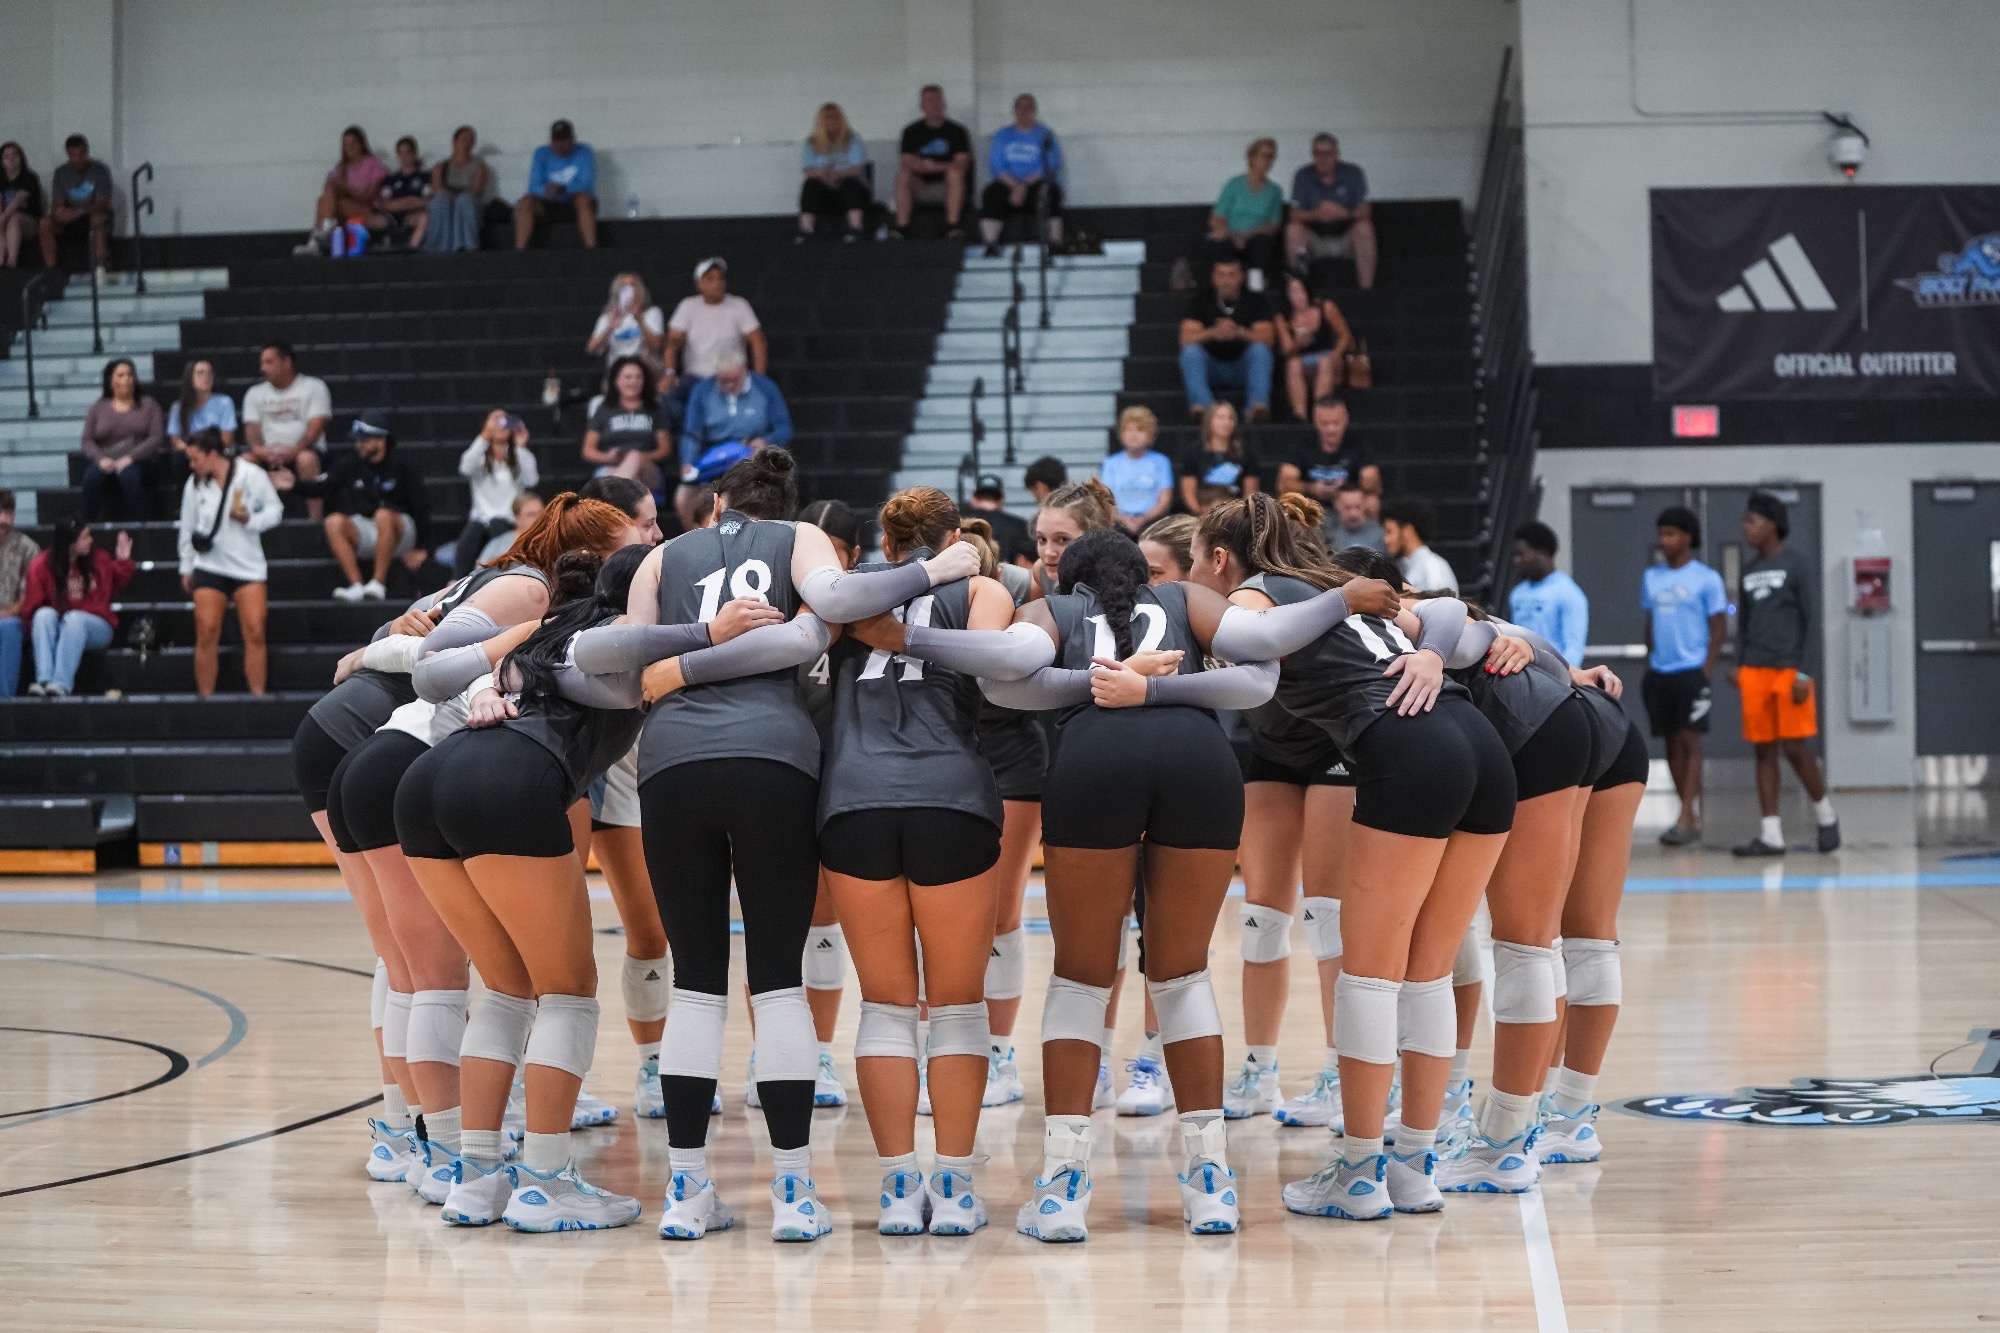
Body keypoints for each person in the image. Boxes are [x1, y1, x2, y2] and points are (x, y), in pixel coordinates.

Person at [566, 450, 981, 1242]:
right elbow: (831, 602)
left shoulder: (662, 554)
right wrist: (935, 569)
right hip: (775, 762)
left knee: (695, 979)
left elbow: (606, 657)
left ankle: (687, 1189)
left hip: (673, 766)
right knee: (778, 979)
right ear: (786, 503)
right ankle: (793, 1191)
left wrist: (677, 663)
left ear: (714, 503)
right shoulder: (797, 538)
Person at [897, 529, 1283, 1241]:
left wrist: (907, 637)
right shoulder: (1188, 596)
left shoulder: (1059, 611)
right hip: (1201, 761)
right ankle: (1209, 1179)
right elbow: (1263, 659)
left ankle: (1065, 1183)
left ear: (1070, 582)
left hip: (1095, 759)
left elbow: (1006, 674)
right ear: (1145, 573)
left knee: (1081, 976)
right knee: (1183, 974)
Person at [1181, 517, 1510, 1220]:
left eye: (1191, 564)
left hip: (1408, 745)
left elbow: (1252, 645)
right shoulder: (1337, 582)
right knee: (1425, 969)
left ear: (1217, 558)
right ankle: (1415, 1167)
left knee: (1370, 971)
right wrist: (1433, 654)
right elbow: (1453, 611)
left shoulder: (1260, 594)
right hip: (1479, 746)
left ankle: (1359, 1171)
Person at [393, 544, 659, 1231]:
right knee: (568, 992)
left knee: (508, 987)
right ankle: (544, 1181)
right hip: (511, 775)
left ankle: (476, 1178)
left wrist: (489, 684)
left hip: (429, 777)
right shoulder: (625, 641)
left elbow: (440, 668)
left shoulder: (555, 625)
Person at [815, 487, 1020, 1234]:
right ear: (956, 535)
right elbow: (997, 668)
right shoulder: (986, 587)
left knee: (885, 1006)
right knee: (960, 1005)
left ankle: (899, 1188)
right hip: (950, 797)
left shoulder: (849, 594)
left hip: (853, 800)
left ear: (887, 541)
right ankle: (957, 1188)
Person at [1182, 494, 1355, 1126]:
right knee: (1262, 916)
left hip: (1341, 749)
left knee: (1328, 915)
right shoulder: (1220, 606)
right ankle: (1260, 1071)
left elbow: (1426, 609)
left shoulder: (1290, 589)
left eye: (1195, 559)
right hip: (1271, 748)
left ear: (1220, 558)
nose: (1189, 573)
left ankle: (1342, 1073)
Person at [1731, 492, 1839, 856]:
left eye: (1752, 521)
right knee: (1763, 752)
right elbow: (1744, 625)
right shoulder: (1747, 572)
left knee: (1795, 748)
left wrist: (1806, 673)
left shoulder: (1798, 566)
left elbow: (1812, 624)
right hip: (1756, 671)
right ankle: (1771, 834)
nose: (1746, 528)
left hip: (1791, 671)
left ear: (1772, 525)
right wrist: (1740, 665)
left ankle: (1825, 815)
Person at [1641, 506, 1726, 847]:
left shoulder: (1707, 579)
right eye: (1662, 534)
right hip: (1660, 672)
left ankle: (1686, 813)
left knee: (1691, 741)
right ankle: (1686, 811)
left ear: (1687, 537)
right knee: (1671, 743)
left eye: (1671, 534)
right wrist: (1651, 662)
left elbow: (1718, 628)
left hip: (1691, 671)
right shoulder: (1652, 577)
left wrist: (1705, 670)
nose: (1664, 540)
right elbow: (1649, 625)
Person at [177, 428, 281, 697]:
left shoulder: (250, 474)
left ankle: (258, 698)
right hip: (209, 563)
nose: (192, 465)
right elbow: (187, 527)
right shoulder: (195, 483)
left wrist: (252, 520)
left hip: (248, 564)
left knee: (255, 631)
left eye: (195, 458)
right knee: (207, 631)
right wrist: (186, 566)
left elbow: (275, 510)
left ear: (213, 455)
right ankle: (206, 699)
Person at [664, 257, 767, 522]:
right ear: (699, 283)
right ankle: (693, 456)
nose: (717, 283)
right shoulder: (688, 306)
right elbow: (673, 341)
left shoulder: (738, 305)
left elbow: (756, 340)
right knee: (668, 399)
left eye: (721, 277)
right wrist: (668, 372)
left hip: (732, 375)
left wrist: (759, 377)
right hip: (697, 380)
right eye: (710, 278)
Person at [319, 412, 432, 601]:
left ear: (381, 440)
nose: (358, 445)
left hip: (402, 531)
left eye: (363, 440)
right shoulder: (351, 463)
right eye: (357, 440)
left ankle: (378, 583)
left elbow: (421, 505)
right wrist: (295, 484)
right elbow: (322, 486)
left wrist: (423, 547)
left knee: (383, 515)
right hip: (370, 530)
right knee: (333, 521)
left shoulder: (403, 465)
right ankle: (356, 586)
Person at [22, 520, 134, 697]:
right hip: (60, 624)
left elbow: (116, 581)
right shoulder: (41, 565)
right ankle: (43, 680)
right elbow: (31, 608)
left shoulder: (99, 558)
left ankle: (60, 684)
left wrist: (123, 561)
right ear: (69, 543)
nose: (90, 540)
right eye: (84, 537)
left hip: (97, 626)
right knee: (43, 615)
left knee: (74, 618)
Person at [1179, 257, 1276, 422]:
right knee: (1190, 352)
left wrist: (1240, 332)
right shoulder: (1201, 300)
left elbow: (1269, 338)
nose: (1226, 280)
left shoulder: (1255, 300)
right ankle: (1204, 408)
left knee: (1261, 350)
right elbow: (1185, 338)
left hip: (1243, 368)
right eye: (1221, 275)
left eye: (1231, 275)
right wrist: (1212, 332)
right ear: (1214, 277)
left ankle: (1257, 407)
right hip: (1212, 368)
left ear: (1241, 276)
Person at [679, 349, 794, 487]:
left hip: (755, 453)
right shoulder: (702, 390)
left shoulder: (765, 387)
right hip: (715, 458)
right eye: (724, 381)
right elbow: (692, 433)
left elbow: (784, 428)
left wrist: (765, 441)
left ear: (744, 370)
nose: (730, 385)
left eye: (735, 380)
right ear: (716, 374)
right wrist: (687, 461)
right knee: (683, 497)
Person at [241, 341, 330, 517]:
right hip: (268, 454)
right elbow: (252, 432)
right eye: (262, 363)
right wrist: (263, 452)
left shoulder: (314, 387)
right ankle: (246, 520)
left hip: (305, 450)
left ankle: (314, 523)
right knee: (244, 461)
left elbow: (316, 428)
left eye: (269, 362)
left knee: (306, 459)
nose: (263, 368)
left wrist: (293, 451)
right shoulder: (254, 393)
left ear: (287, 362)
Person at [453, 411, 539, 579]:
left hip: (508, 519)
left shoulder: (517, 456)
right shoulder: (479, 455)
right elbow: (465, 467)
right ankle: (456, 582)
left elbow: (531, 480)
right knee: (469, 538)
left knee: (497, 525)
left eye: (505, 421)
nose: (500, 425)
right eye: (495, 421)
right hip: (480, 519)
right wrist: (485, 435)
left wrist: (521, 446)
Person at [1286, 133, 1376, 290]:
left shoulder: (1353, 172)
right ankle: (1299, 292)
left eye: (1327, 153)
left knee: (1364, 228)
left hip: (1345, 237)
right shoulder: (1303, 174)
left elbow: (1365, 209)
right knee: (1293, 230)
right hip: (1316, 238)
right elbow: (1294, 214)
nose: (1322, 158)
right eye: (1317, 153)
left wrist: (1344, 213)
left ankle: (1366, 291)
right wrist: (1317, 214)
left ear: (1336, 154)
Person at [79, 358, 164, 521]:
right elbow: (87, 440)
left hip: (139, 460)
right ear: (111, 381)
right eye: (121, 375)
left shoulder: (149, 405)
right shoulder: (98, 407)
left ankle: (141, 527)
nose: (127, 379)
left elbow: (156, 437)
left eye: (130, 375)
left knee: (129, 476)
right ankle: (88, 527)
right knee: (91, 477)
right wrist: (101, 459)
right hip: (106, 460)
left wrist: (130, 458)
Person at [979, 94, 1064, 257]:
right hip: (1008, 183)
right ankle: (991, 245)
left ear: (1035, 110)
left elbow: (1051, 164)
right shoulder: (1003, 135)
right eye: (1020, 107)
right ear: (1014, 111)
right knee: (991, 193)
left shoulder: (1046, 134)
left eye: (1029, 107)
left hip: (1035, 183)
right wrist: (1015, 185)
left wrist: (1024, 185)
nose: (1024, 111)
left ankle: (1055, 243)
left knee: (1052, 192)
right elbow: (996, 164)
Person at [582, 356, 673, 494]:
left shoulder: (655, 409)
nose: (634, 382)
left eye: (638, 377)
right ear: (616, 381)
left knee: (632, 459)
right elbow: (588, 450)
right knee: (625, 482)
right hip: (612, 466)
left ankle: (612, 507)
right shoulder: (604, 409)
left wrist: (638, 457)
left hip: (648, 470)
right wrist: (610, 457)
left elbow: (665, 449)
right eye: (628, 377)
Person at [893, 85, 971, 237]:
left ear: (944, 104)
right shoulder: (910, 131)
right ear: (922, 106)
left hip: (947, 184)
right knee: (902, 176)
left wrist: (936, 167)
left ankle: (952, 226)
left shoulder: (957, 131)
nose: (934, 104)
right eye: (929, 101)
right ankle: (902, 227)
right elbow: (906, 161)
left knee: (955, 173)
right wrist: (922, 166)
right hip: (920, 184)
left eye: (937, 100)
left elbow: (962, 163)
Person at [1508, 521, 1589, 665]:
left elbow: (1574, 647)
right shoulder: (1517, 593)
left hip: (1554, 679)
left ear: (1543, 553)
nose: (1517, 561)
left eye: (1522, 554)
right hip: (1523, 675)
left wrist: (1563, 680)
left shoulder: (1568, 592)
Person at [1208, 138, 1286, 287]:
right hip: (1231, 234)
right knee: (1218, 243)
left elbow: (1274, 225)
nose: (1268, 161)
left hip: (1255, 236)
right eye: (1264, 156)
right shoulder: (1234, 184)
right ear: (1252, 157)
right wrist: (1230, 233)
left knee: (1263, 245)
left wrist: (1248, 235)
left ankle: (1255, 288)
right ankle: (1223, 287)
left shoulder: (1274, 190)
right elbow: (1217, 218)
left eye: (1272, 157)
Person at [1273, 276, 1353, 419]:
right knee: (1293, 364)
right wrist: (1298, 344)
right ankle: (1300, 416)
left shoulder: (1326, 308)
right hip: (1302, 360)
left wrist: (1336, 354)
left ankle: (1320, 413)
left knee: (1325, 361)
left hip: (1327, 357)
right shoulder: (1283, 318)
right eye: (1293, 292)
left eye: (1301, 291)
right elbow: (1287, 351)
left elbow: (1345, 335)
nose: (1298, 296)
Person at [1277, 398, 1379, 507]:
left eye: (1336, 423)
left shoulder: (1358, 446)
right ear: (1316, 422)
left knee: (1371, 501)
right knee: (1288, 500)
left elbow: (1372, 483)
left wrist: (1344, 487)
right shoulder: (1302, 446)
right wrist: (1312, 488)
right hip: (1311, 504)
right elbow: (1284, 483)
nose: (1331, 429)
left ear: (1345, 420)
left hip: (1347, 504)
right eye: (1325, 423)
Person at [515, 119, 598, 249]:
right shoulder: (541, 153)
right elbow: (533, 185)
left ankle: (592, 249)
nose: (559, 145)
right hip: (547, 203)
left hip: (573, 203)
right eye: (556, 141)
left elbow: (587, 184)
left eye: (563, 141)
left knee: (583, 199)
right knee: (526, 202)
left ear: (572, 139)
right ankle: (519, 252)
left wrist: (563, 188)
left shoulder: (585, 152)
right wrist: (547, 190)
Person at [798, 103, 871, 241]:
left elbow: (858, 168)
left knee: (852, 184)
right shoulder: (812, 142)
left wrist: (837, 174)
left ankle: (856, 227)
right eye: (827, 118)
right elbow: (807, 169)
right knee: (810, 185)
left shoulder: (853, 139)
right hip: (824, 188)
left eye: (834, 118)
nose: (831, 122)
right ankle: (805, 230)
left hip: (847, 185)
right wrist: (820, 173)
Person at [39, 134, 112, 271]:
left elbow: (103, 203)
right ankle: (52, 271)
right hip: (70, 218)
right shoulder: (61, 172)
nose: (78, 159)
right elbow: (57, 203)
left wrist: (79, 212)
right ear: (68, 154)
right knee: (45, 223)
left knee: (98, 219)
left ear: (87, 151)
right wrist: (60, 212)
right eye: (74, 155)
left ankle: (100, 268)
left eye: (82, 154)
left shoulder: (100, 170)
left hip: (90, 215)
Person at [1177, 400, 1261, 516]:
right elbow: (1188, 493)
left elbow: (1250, 493)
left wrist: (1235, 517)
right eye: (1221, 418)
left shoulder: (1245, 453)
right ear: (1209, 421)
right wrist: (1200, 515)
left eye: (1231, 418)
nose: (1226, 422)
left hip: (1234, 515)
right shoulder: (1194, 452)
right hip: (1202, 513)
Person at [1100, 407, 1175, 535]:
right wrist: (1124, 519)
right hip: (1118, 526)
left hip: (1152, 526)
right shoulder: (1110, 463)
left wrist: (1144, 519)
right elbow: (1104, 499)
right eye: (1129, 430)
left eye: (1140, 430)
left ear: (1150, 434)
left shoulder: (1161, 462)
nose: (1133, 435)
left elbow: (1165, 500)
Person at [166, 358, 238, 488]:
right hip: (190, 453)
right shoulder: (178, 407)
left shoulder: (224, 402)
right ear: (189, 377)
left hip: (216, 452)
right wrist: (195, 452)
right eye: (200, 373)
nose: (206, 377)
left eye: (209, 373)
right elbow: (176, 441)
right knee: (179, 458)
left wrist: (203, 452)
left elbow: (227, 439)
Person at [312, 126, 389, 237]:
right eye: (346, 144)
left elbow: (368, 198)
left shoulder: (373, 163)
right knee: (323, 199)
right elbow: (329, 189)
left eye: (353, 143)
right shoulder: (341, 167)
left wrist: (346, 188)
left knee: (330, 202)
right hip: (344, 210)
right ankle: (326, 227)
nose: (350, 148)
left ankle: (321, 235)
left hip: (369, 210)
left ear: (362, 144)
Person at [425, 125, 490, 253]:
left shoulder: (480, 166)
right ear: (455, 142)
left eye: (471, 140)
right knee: (440, 201)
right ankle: (439, 246)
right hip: (447, 200)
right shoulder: (440, 166)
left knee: (464, 199)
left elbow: (476, 190)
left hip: (468, 202)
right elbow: (437, 189)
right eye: (464, 139)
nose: (467, 143)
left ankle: (467, 245)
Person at [587, 273, 667, 375]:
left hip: (647, 372)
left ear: (640, 290)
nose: (629, 289)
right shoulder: (608, 317)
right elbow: (591, 349)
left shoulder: (652, 313)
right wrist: (609, 328)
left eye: (633, 285)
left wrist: (639, 320)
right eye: (623, 286)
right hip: (618, 373)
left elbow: (657, 345)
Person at [0, 491, 38, 696]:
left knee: (8, 627)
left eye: (8, 513)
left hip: (13, 618)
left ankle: (4, 704)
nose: (4, 520)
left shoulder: (28, 549)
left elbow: (24, 601)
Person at [1382, 497, 1458, 593]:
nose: (1386, 540)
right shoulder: (1407, 567)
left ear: (1408, 530)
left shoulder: (1432, 567)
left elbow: (1441, 605)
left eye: (1389, 531)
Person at [966, 475, 1034, 567]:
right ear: (1002, 500)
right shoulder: (1020, 525)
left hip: (967, 580)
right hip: (1006, 579)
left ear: (973, 499)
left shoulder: (957, 524)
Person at [379, 137, 430, 248]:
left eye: (408, 153)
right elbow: (386, 204)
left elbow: (426, 201)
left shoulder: (425, 177)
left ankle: (411, 248)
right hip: (393, 217)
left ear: (415, 154)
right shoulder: (390, 179)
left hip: (414, 215)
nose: (404, 157)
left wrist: (408, 203)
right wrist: (410, 202)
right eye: (401, 153)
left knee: (424, 217)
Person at [0, 142, 43, 267]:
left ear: (21, 158)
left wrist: (2, 219)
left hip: (29, 222)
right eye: (6, 156)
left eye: (14, 155)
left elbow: (17, 201)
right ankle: (1, 259)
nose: (11, 159)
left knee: (14, 218)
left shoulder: (29, 178)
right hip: (4, 220)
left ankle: (12, 261)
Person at [478, 491, 545, 566]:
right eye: (531, 515)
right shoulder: (497, 547)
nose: (538, 518)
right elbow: (480, 573)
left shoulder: (552, 543)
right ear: (517, 518)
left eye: (541, 513)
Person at [1323, 481, 1387, 555]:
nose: (1353, 514)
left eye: (1358, 507)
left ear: (1365, 503)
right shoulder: (1329, 534)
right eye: (1347, 507)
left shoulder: (1381, 535)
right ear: (1337, 505)